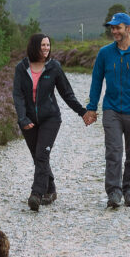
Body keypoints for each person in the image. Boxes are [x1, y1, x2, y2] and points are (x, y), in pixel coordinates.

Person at [83, 12, 130, 208]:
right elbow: (96, 82)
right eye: (112, 28)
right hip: (112, 111)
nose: (114, 31)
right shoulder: (105, 53)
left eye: (118, 27)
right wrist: (91, 108)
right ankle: (114, 193)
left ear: (129, 28)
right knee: (114, 152)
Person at [13, 32, 91, 211]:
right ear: (34, 46)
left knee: (42, 155)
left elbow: (67, 93)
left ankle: (36, 194)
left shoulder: (54, 67)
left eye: (48, 45)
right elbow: (17, 95)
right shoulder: (21, 68)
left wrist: (82, 112)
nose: (46, 49)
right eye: (42, 45)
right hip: (28, 121)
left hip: (51, 119)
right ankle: (51, 189)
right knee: (38, 157)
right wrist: (22, 118)